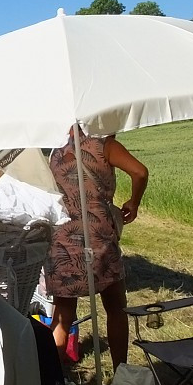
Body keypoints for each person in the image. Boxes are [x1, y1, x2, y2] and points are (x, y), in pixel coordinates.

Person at [44, 126, 148, 369]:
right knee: (115, 306)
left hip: (62, 237)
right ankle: (120, 371)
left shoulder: (55, 150)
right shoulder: (105, 145)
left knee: (63, 314)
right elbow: (140, 172)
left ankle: (55, 379)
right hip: (97, 235)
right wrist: (134, 202)